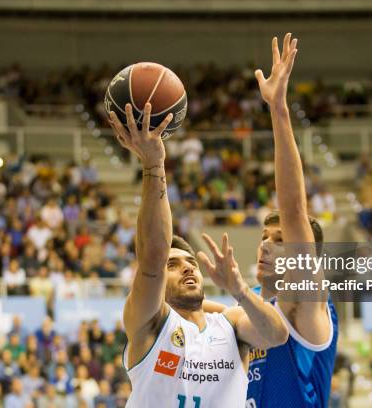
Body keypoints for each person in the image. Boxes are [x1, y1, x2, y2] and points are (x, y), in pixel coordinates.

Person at [108, 102, 288, 407]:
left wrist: (239, 290)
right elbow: (152, 257)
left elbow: (276, 336)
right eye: (174, 265)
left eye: (191, 263)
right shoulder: (150, 324)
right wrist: (154, 165)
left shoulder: (230, 325)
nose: (187, 269)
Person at [204, 34, 338, 407]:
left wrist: (278, 109)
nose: (265, 244)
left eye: (279, 240)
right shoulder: (254, 311)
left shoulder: (305, 301)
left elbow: (295, 210)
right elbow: (204, 307)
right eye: (265, 236)